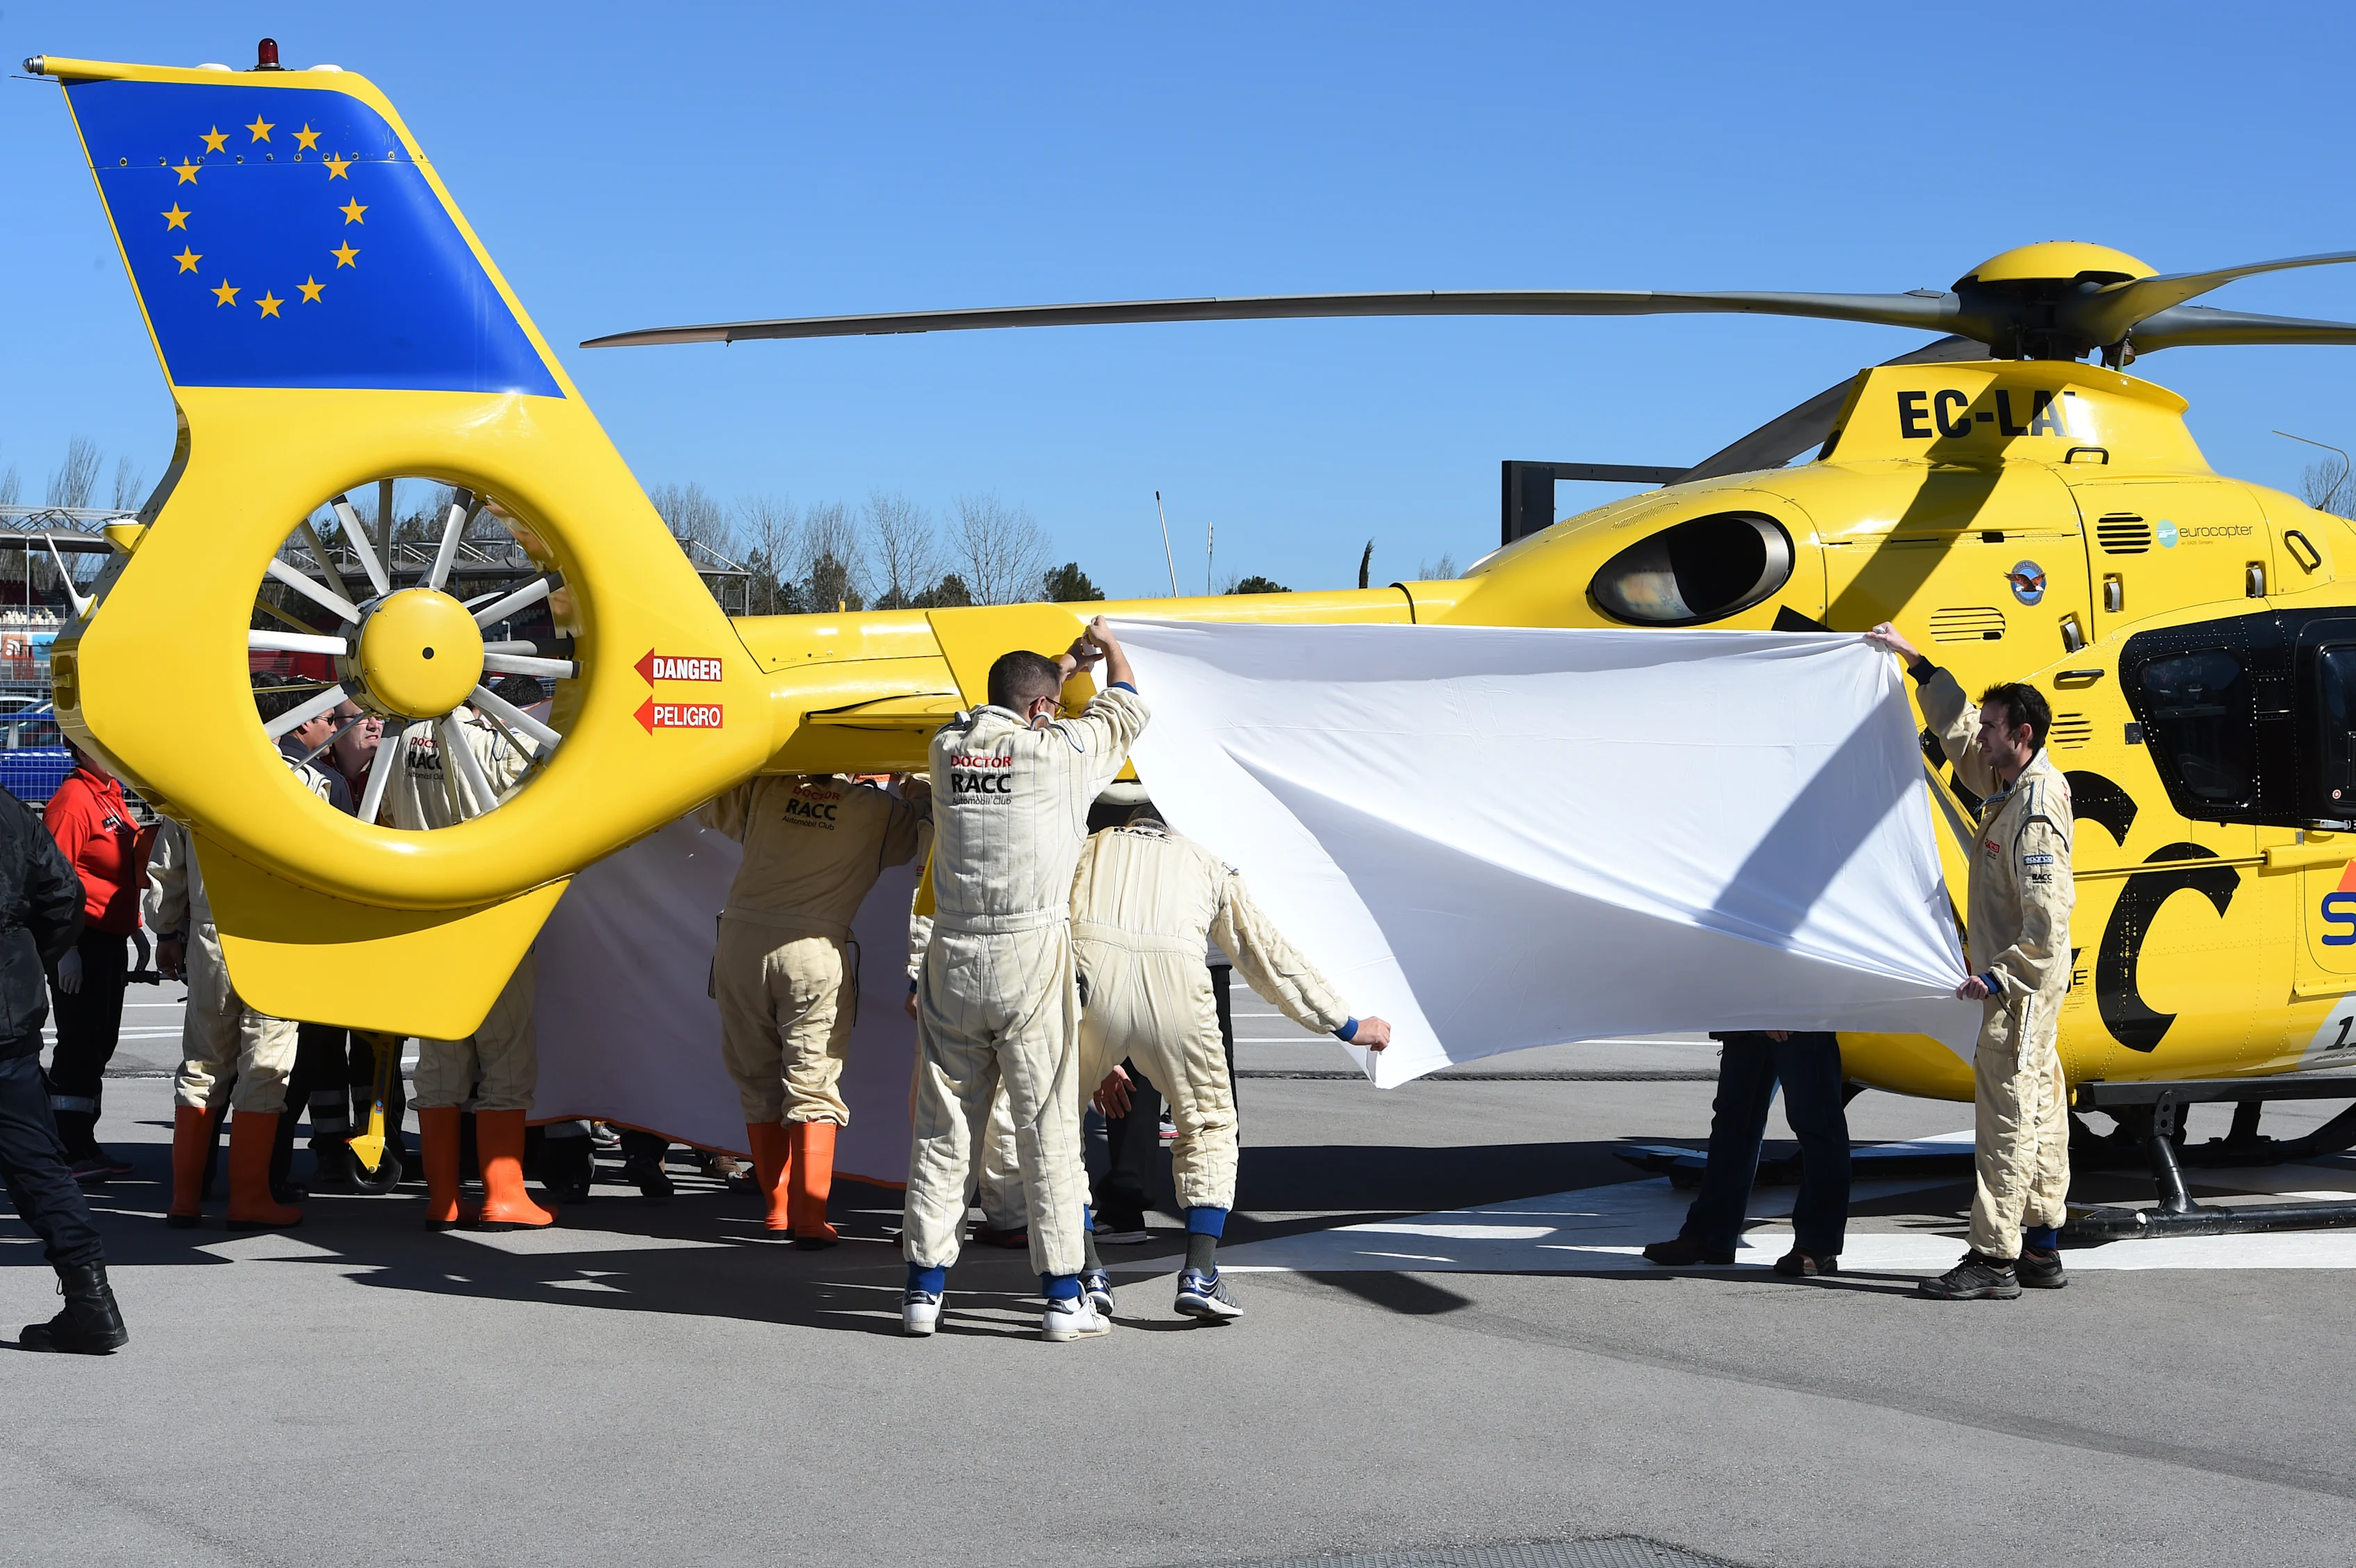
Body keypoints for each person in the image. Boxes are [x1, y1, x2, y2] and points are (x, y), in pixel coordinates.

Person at [900, 617, 1147, 1342]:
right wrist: (1107, 648)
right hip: (1030, 951)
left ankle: (922, 1292)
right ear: (1043, 709)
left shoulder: (945, 748)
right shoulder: (1059, 753)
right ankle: (1063, 1297)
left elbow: (1009, 709)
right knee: (1047, 1127)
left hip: (953, 951)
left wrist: (1060, 666)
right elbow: (1127, 704)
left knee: (944, 1127)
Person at [1075, 800, 1391, 1321]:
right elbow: (1268, 956)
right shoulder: (1206, 863)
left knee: (1055, 1129)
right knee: (1210, 1124)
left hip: (1089, 994)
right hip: (1179, 997)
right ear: (1174, 827)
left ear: (1124, 824)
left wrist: (1091, 1049)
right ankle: (1200, 1273)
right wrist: (1346, 1024)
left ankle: (1085, 1273)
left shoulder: (1084, 851)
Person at [1866, 624, 2076, 1301]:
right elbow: (1956, 733)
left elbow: (2048, 923)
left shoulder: (2035, 810)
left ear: (2022, 734)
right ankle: (2041, 1246)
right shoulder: (2008, 781)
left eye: (1992, 727)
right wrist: (1917, 663)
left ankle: (1993, 1257)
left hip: (2019, 987)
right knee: (2039, 1108)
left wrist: (1998, 975)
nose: (1980, 735)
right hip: (2027, 987)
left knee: (2006, 1118)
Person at [699, 770, 929, 1245]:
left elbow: (705, 796)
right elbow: (929, 822)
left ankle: (777, 1209)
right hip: (813, 948)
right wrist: (909, 779)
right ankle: (809, 1216)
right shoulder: (878, 811)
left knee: (756, 1079)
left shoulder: (764, 789)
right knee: (813, 1082)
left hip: (740, 941)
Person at [148, 679, 344, 1230]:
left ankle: (185, 1198)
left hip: (209, 936)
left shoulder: (196, 781)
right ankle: (250, 1197)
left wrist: (166, 933)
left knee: (201, 1065)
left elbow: (166, 869)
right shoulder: (308, 785)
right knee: (266, 1067)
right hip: (277, 939)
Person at [391, 702, 553, 1231]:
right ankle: (503, 1196)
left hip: (424, 916)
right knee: (505, 1062)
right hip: (491, 915)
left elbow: (387, 813)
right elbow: (542, 801)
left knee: (439, 1065)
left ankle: (443, 1198)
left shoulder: (401, 737)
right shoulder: (494, 739)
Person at [0, 776, 127, 1352]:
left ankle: (91, 1305)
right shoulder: (11, 811)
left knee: (38, 1162)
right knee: (38, 1164)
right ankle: (91, 1302)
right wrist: (26, 959)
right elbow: (64, 896)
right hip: (8, 1015)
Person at [1640, 1031, 1849, 1275]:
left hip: (1796, 1016)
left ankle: (1818, 1244)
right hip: (1749, 1018)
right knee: (1732, 1124)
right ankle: (1710, 1237)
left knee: (1816, 1123)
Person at [41, 741, 153, 1180]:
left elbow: (121, 869)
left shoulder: (109, 794)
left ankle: (83, 1142)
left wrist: (134, 925)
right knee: (80, 1043)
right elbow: (53, 879)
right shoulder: (73, 802)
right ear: (83, 751)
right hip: (82, 939)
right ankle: (67, 1148)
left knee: (99, 1043)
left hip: (108, 937)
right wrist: (66, 949)